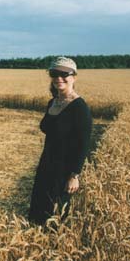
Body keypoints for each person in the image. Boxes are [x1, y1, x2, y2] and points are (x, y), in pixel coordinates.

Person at [28, 56, 92, 225]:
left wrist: (74, 175)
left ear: (74, 77)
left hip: (64, 170)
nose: (58, 78)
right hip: (47, 163)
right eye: (54, 73)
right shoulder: (53, 102)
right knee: (39, 208)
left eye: (64, 74)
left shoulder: (80, 108)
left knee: (56, 213)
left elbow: (83, 144)